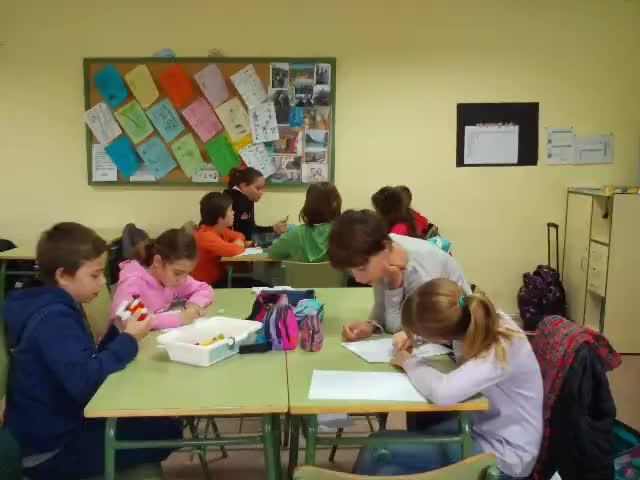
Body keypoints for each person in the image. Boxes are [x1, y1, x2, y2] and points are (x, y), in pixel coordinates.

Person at [2, 222, 181, 480]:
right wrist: (129, 339)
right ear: (63, 275)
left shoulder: (54, 304)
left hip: (64, 423)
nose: (104, 281)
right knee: (166, 430)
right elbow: (87, 382)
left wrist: (117, 332)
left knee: (159, 423)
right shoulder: (53, 319)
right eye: (95, 275)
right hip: (53, 448)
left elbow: (87, 362)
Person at [354, 279, 543, 479]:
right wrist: (420, 337)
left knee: (377, 448)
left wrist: (408, 362)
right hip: (485, 426)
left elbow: (443, 392)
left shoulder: (499, 348)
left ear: (441, 337)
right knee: (391, 467)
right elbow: (451, 336)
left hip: (505, 455)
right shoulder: (476, 318)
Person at [328, 210, 470, 341]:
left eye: (362, 268)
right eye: (350, 270)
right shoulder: (383, 251)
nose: (358, 279)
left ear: (385, 248)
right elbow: (382, 307)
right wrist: (371, 325)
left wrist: (395, 286)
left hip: (457, 331)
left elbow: (397, 327)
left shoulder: (421, 273)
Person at [111, 228, 213, 330]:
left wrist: (193, 305)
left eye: (187, 274)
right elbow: (132, 318)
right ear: (158, 262)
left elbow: (204, 288)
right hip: (121, 339)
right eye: (177, 273)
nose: (182, 280)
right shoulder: (132, 283)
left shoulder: (171, 280)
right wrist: (179, 318)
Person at [268, 182, 341, 262]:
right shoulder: (343, 234)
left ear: (308, 204)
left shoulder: (295, 234)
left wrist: (280, 236)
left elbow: (272, 253)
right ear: (336, 204)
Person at [192, 192, 249, 286]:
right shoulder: (205, 236)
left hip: (219, 280)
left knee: (255, 282)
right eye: (230, 210)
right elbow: (235, 250)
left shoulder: (219, 229)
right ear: (219, 216)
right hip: (206, 286)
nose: (233, 212)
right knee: (255, 284)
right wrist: (237, 244)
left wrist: (237, 242)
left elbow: (240, 235)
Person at [223, 167, 288, 242]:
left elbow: (249, 228)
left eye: (262, 188)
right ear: (243, 186)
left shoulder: (243, 197)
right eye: (257, 188)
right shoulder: (239, 201)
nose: (261, 192)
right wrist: (273, 229)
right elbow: (247, 234)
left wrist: (273, 229)